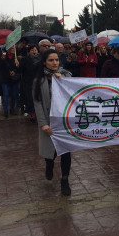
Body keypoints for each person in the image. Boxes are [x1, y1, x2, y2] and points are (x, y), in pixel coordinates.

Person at [33, 49, 72, 196]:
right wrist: (43, 123)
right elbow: (37, 103)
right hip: (49, 122)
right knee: (51, 153)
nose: (54, 63)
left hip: (64, 122)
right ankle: (49, 166)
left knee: (66, 152)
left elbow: (74, 94)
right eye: (51, 60)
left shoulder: (67, 75)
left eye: (56, 60)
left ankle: (64, 180)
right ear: (44, 62)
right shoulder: (39, 80)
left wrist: (62, 80)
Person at [0, 47, 20, 118]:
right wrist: (2, 60)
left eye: (14, 48)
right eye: (11, 48)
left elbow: (19, 68)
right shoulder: (3, 57)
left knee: (14, 94)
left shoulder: (16, 57)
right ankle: (5, 110)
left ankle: (12, 109)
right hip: (5, 79)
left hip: (14, 79)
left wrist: (16, 69)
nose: (13, 49)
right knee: (6, 94)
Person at [21, 46, 38, 122]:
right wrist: (18, 64)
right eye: (32, 50)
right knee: (30, 98)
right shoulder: (25, 59)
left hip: (37, 81)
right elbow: (21, 70)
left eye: (35, 50)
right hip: (28, 82)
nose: (34, 52)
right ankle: (32, 113)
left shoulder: (39, 59)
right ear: (28, 52)